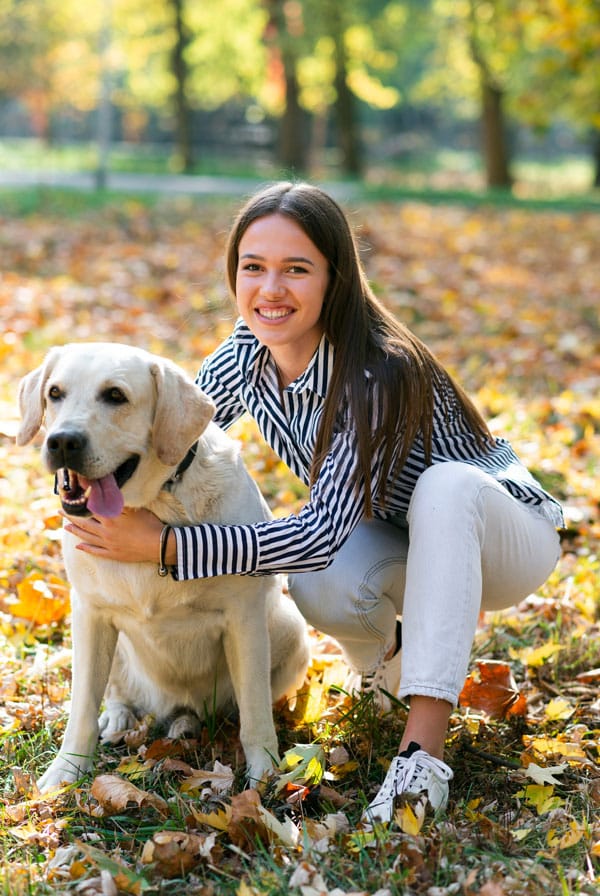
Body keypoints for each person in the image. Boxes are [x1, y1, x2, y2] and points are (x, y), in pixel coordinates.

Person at [62, 181, 564, 823]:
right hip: (405, 534)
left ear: (336, 278)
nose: (271, 289)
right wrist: (105, 469)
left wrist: (166, 547)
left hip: (505, 534)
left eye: (296, 269)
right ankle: (391, 664)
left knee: (440, 488)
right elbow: (179, 432)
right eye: (253, 267)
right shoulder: (251, 350)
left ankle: (421, 757)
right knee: (317, 580)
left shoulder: (377, 371)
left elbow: (322, 532)